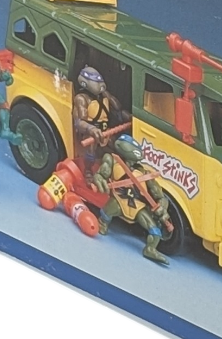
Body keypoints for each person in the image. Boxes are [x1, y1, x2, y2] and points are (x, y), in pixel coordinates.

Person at [92, 136, 173, 265]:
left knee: (154, 230)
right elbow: (101, 174)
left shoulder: (144, 173)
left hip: (137, 206)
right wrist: (99, 179)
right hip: (119, 200)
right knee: (107, 212)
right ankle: (102, 225)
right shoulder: (112, 160)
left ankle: (150, 249)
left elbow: (160, 196)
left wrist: (162, 206)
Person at [71, 66, 122, 168]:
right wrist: (91, 129)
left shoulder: (104, 95)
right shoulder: (81, 99)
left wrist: (126, 116)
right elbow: (79, 122)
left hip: (106, 130)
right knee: (91, 148)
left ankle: (116, 166)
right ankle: (88, 170)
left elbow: (117, 107)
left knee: (116, 145)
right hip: (90, 132)